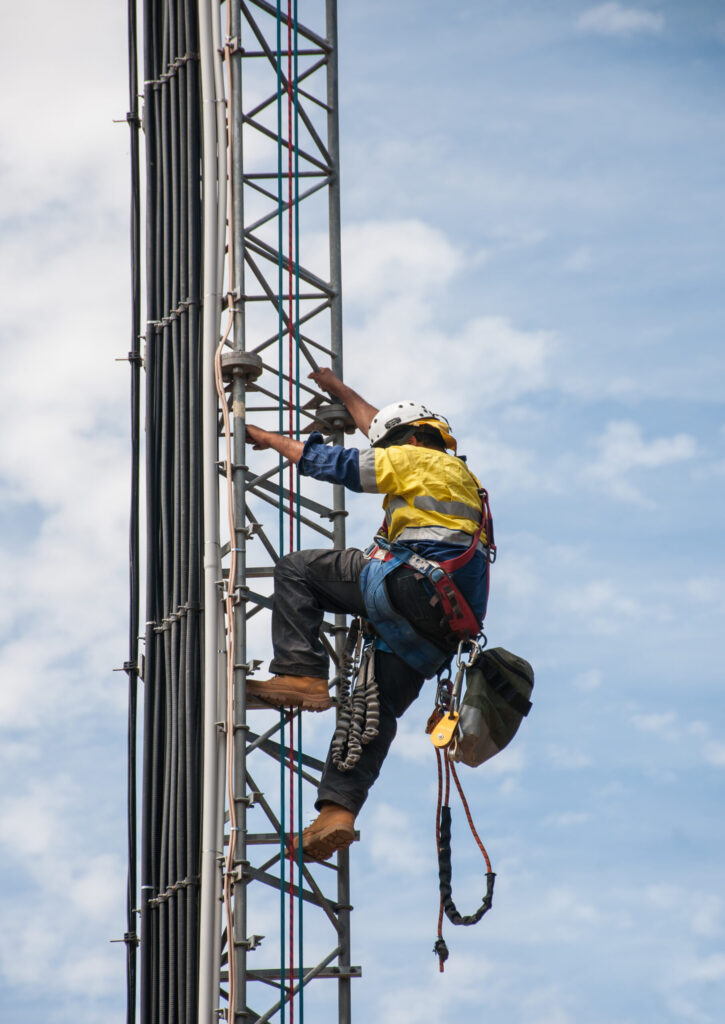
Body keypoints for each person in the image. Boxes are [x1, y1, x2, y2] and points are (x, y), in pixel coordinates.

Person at [244, 368, 491, 861]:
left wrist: (266, 438)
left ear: (416, 441)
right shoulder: (459, 478)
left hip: (412, 585)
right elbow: (380, 426)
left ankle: (300, 674)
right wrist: (342, 392)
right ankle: (337, 814)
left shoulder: (418, 460)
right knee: (369, 713)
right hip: (442, 625)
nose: (387, 453)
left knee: (298, 571)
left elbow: (334, 464)